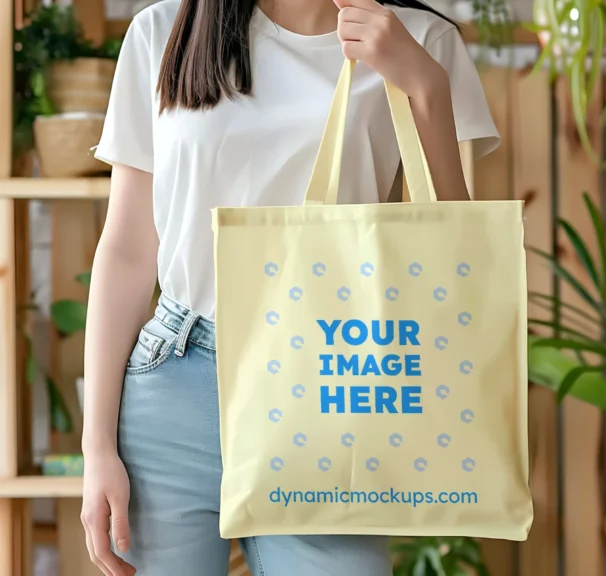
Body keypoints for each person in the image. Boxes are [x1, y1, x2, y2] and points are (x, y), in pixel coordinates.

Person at [80, 0, 499, 573]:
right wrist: (97, 445)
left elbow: (457, 255)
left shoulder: (420, 39)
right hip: (175, 384)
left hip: (332, 383)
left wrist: (424, 86)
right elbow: (128, 250)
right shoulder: (165, 31)